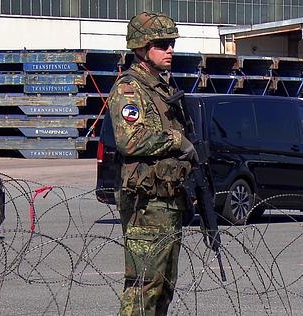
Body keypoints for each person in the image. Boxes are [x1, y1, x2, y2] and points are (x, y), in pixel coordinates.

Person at [108, 11, 197, 315]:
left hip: (169, 200)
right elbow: (129, 139)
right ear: (142, 48)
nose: (170, 49)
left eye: (171, 43)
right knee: (144, 286)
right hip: (145, 204)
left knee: (164, 287)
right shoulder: (129, 89)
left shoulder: (163, 89)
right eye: (162, 44)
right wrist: (176, 141)